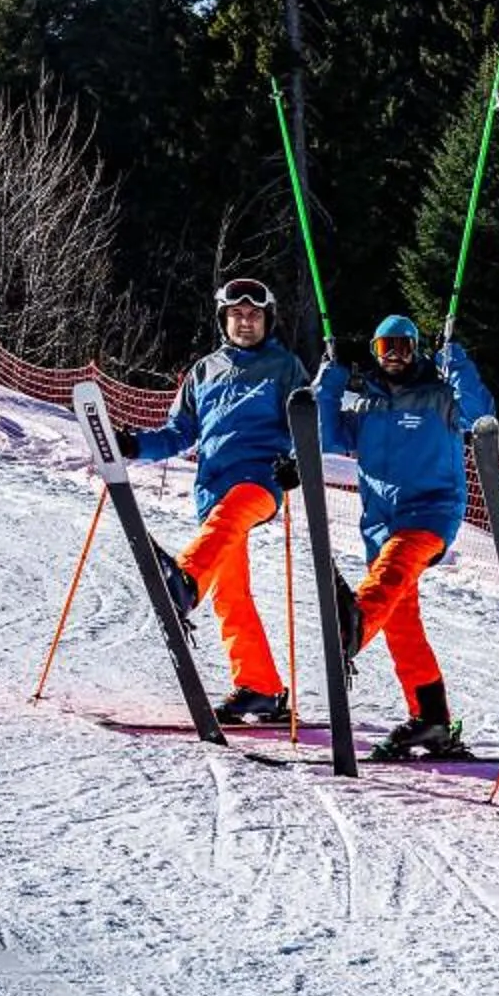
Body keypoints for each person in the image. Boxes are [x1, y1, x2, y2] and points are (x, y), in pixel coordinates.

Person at [123, 276, 311, 725]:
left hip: (260, 482)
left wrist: (297, 462)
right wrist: (134, 446)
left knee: (231, 516)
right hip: (212, 488)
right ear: (224, 319)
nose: (246, 322)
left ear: (268, 320)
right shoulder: (204, 372)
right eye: (237, 314)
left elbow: (309, 421)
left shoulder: (285, 368)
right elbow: (179, 434)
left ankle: (185, 583)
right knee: (231, 593)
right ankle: (260, 688)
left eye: (255, 315)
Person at [315, 314, 495, 758]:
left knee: (393, 572)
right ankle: (430, 717)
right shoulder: (366, 404)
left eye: (403, 346)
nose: (394, 355)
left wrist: (458, 363)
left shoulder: (441, 397)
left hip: (430, 514)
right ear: (374, 352)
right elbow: (324, 436)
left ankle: (353, 629)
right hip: (380, 523)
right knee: (402, 623)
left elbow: (482, 414)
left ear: (418, 350)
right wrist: (331, 378)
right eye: (384, 347)